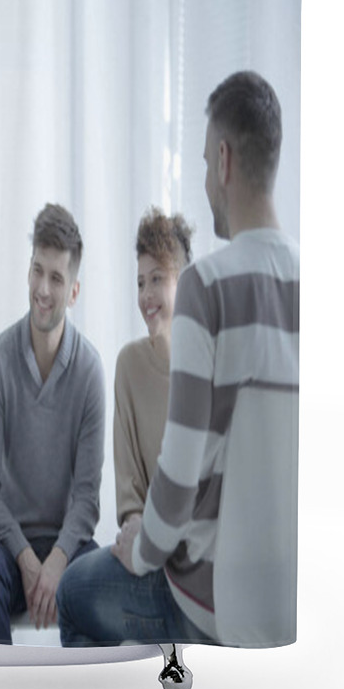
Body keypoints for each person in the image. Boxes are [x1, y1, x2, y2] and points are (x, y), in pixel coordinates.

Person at [58, 70, 300, 647]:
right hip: (291, 608)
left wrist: (139, 548)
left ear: (222, 160)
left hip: (214, 603)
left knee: (72, 595)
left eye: (201, 161)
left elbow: (180, 474)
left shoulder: (208, 287)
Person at [0, 203, 105, 644]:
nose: (43, 289)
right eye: (37, 271)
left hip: (69, 546)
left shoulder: (89, 370)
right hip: (13, 550)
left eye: (56, 278)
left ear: (74, 290)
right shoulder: (0, 359)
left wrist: (57, 561)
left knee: (99, 578)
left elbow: (87, 498)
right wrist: (28, 560)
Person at [114, 207, 192, 529]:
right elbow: (129, 494)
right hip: (146, 543)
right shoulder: (129, 365)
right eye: (140, 282)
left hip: (198, 549)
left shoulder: (212, 364)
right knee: (77, 580)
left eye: (157, 279)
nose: (146, 295)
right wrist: (137, 534)